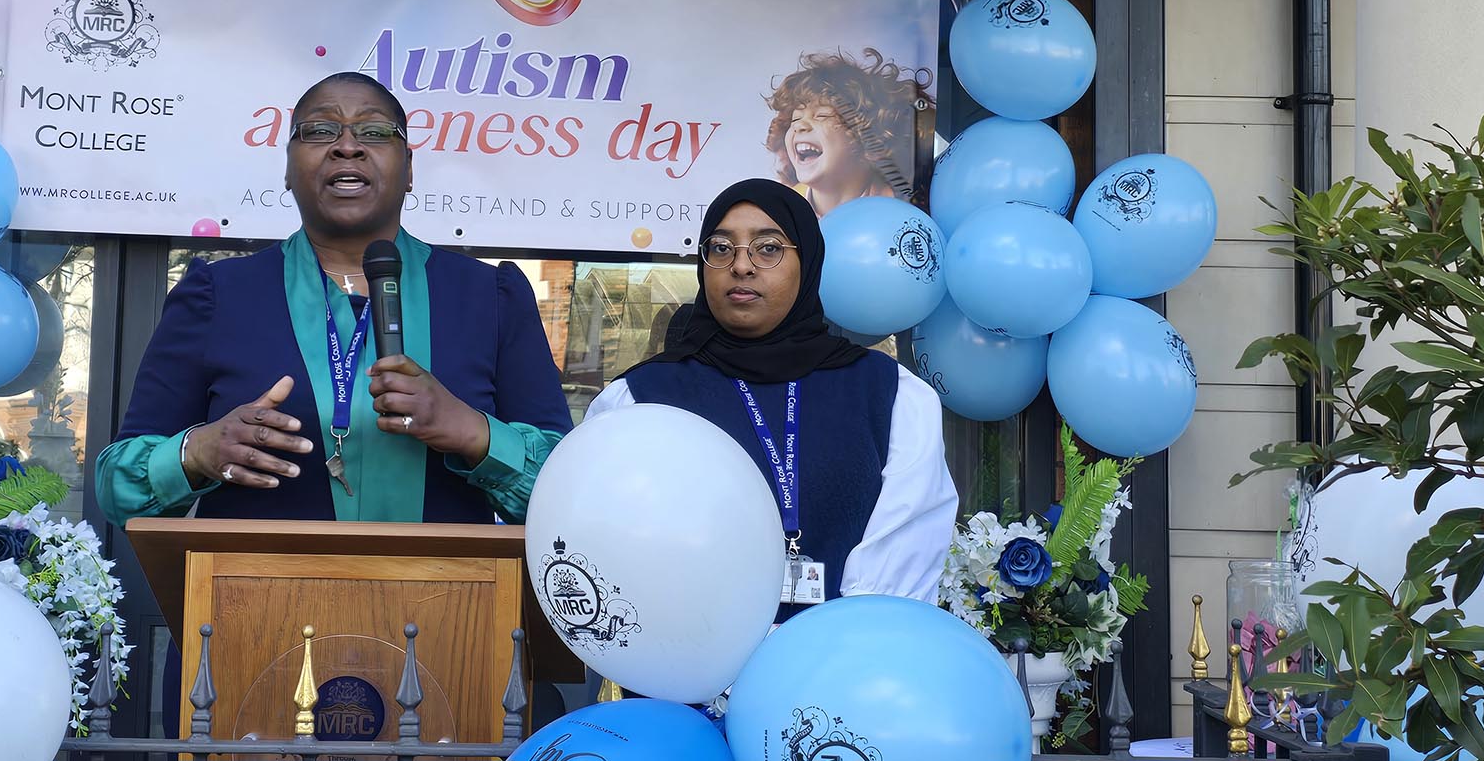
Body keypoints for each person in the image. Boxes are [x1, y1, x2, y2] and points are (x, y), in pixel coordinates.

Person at [96, 71, 574, 528]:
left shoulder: (490, 299)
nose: (348, 146)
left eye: (375, 131)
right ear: (287, 170)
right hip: (258, 602)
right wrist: (196, 452)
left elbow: (571, 493)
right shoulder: (217, 296)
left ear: (409, 169)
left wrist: (474, 432)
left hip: (446, 606)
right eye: (321, 130)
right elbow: (116, 486)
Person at [586, 179, 957, 619]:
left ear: (808, 264)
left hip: (846, 666)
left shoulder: (887, 393)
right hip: (692, 667)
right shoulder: (642, 400)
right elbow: (613, 548)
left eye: (768, 248)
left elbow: (908, 539)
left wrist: (840, 649)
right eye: (721, 248)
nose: (741, 266)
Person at [765, 49, 933, 216]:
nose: (800, 125)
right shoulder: (782, 213)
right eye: (795, 119)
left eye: (822, 115)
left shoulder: (901, 211)